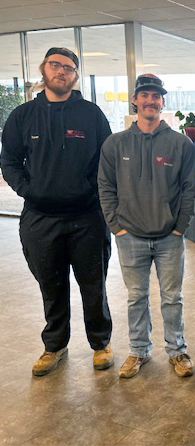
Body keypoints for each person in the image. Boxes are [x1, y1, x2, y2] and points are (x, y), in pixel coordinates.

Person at [1, 47, 113, 376]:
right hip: (40, 218)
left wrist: (91, 191)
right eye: (55, 65)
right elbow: (8, 161)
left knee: (94, 285)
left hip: (87, 218)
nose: (61, 71)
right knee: (51, 285)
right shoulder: (23, 116)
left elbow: (105, 163)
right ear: (44, 69)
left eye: (68, 67)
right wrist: (29, 190)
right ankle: (54, 346)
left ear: (75, 75)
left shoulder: (91, 115)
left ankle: (100, 344)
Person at [98, 74, 195, 378]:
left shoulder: (180, 144)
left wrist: (180, 228)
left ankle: (177, 351)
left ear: (162, 102)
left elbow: (189, 188)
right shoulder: (115, 144)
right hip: (130, 237)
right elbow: (105, 187)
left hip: (169, 237)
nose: (150, 101)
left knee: (172, 298)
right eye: (145, 95)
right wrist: (117, 227)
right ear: (135, 101)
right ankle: (139, 351)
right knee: (135, 297)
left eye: (156, 96)